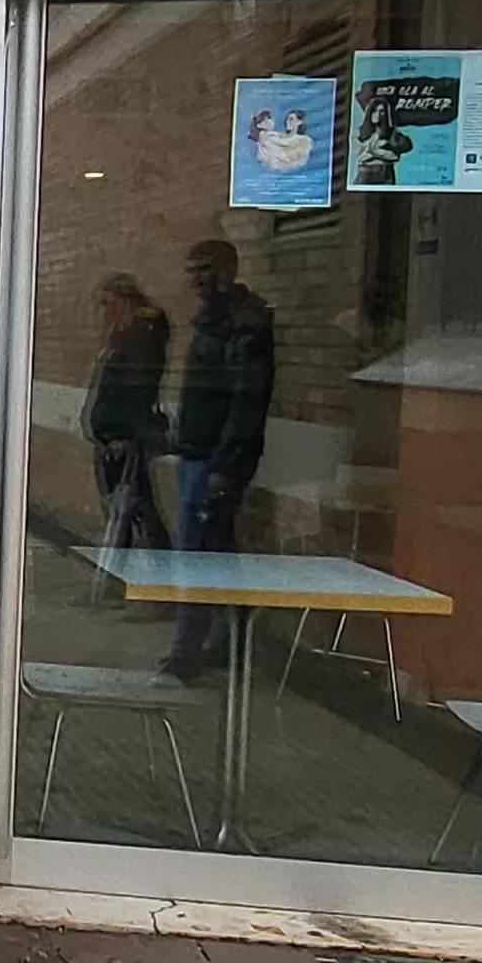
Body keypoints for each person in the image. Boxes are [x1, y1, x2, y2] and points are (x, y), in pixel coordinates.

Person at [163, 238, 276, 680]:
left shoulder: (242, 324)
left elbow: (245, 401)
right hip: (199, 453)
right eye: (192, 269)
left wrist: (225, 465)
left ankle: (190, 650)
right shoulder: (211, 321)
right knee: (215, 549)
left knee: (198, 554)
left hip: (215, 459)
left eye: (205, 269)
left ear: (228, 270)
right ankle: (226, 639)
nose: (196, 278)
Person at [84, 271, 171, 554]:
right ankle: (127, 577)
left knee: (136, 508)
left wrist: (123, 434)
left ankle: (157, 575)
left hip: (124, 440)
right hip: (113, 437)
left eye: (109, 303)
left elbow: (137, 390)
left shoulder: (141, 334)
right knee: (125, 509)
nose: (105, 311)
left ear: (123, 300)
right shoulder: (122, 335)